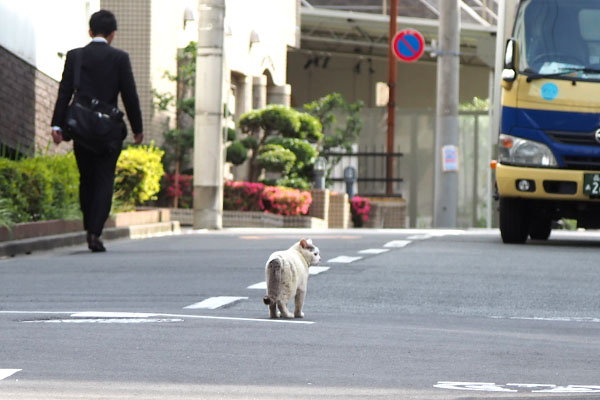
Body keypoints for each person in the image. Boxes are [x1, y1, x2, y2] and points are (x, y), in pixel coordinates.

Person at [51, 9, 143, 252]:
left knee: (86, 179)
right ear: (113, 34)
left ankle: (88, 226)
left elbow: (64, 92)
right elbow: (130, 96)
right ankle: (95, 231)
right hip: (108, 132)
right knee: (104, 180)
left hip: (81, 130)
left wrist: (57, 125)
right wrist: (138, 129)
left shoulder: (76, 56)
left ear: (90, 32)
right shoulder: (120, 58)